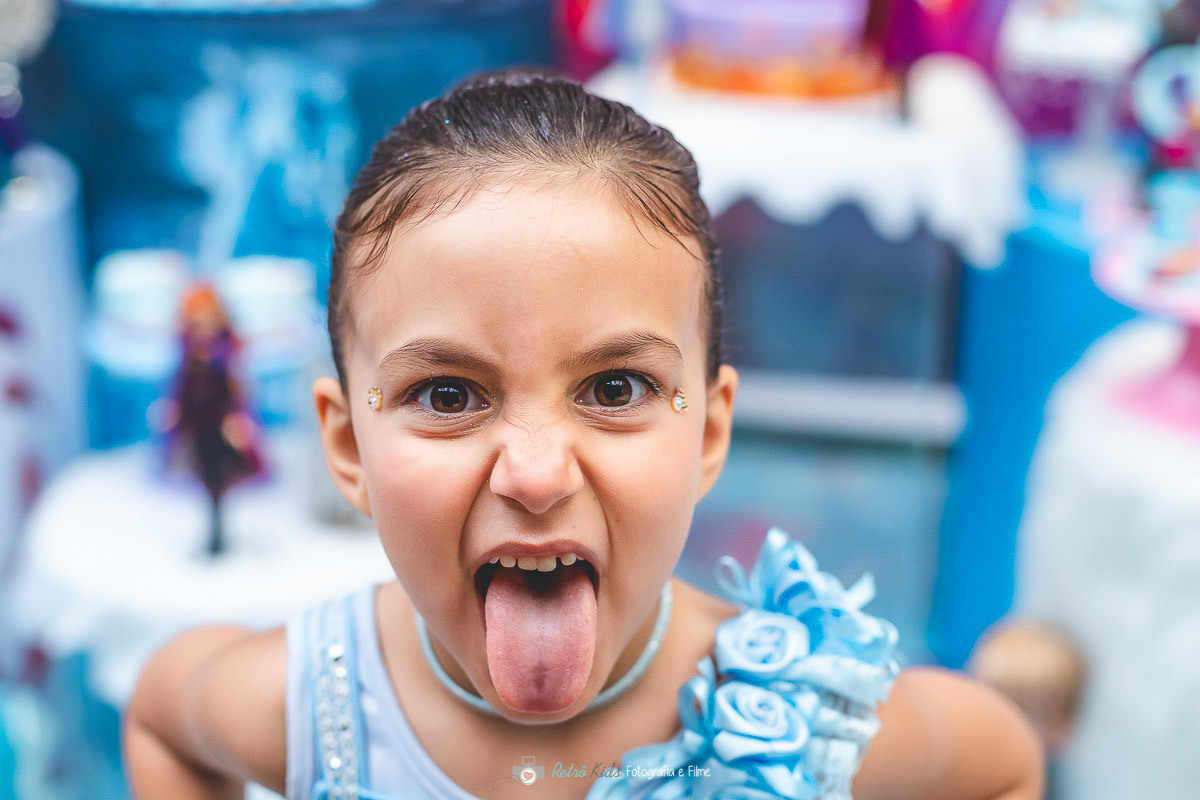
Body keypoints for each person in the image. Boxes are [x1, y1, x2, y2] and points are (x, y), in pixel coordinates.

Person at [123, 70, 1042, 799]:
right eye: (447, 395)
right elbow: (163, 715)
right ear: (352, 448)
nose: (534, 473)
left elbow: (999, 762)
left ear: (709, 431)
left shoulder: (799, 725)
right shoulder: (306, 710)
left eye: (614, 386)